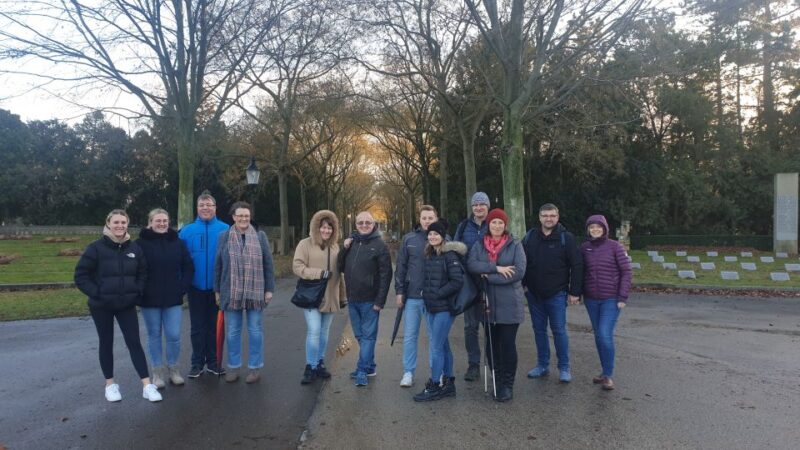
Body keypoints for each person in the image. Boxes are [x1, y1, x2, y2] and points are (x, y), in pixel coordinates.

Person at [74, 209, 162, 402]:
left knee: (134, 343)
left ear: (127, 224)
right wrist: (97, 293)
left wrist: (136, 292)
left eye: (123, 222)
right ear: (108, 224)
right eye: (116, 222)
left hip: (126, 304)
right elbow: (80, 276)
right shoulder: (95, 248)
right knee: (106, 342)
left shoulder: (134, 248)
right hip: (101, 305)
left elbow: (143, 273)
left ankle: (147, 385)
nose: (120, 226)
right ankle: (110, 385)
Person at [466, 208, 526, 402]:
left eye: (501, 222)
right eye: (494, 222)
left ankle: (507, 384)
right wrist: (496, 268)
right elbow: (472, 265)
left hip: (510, 303)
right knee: (492, 345)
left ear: (505, 225)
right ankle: (497, 379)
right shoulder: (479, 245)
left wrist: (489, 277)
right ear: (488, 224)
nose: (497, 226)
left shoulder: (515, 244)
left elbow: (518, 272)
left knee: (507, 344)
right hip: (488, 304)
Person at [214, 201, 275, 384]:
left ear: (250, 217)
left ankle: (255, 368)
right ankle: (233, 367)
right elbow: (218, 265)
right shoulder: (224, 237)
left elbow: (268, 264)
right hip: (230, 291)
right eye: (240, 215)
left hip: (256, 291)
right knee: (233, 331)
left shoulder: (260, 236)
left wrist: (269, 289)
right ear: (233, 217)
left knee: (255, 331)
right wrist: (217, 290)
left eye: (246, 216)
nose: (243, 218)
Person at [522, 203, 583, 383]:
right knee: (539, 331)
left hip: (557, 294)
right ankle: (542, 365)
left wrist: (574, 292)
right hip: (534, 295)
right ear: (539, 217)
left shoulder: (566, 238)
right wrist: (523, 285)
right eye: (545, 215)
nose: (549, 219)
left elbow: (577, 265)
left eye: (552, 215)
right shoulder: (530, 237)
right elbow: (522, 262)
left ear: (557, 217)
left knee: (559, 331)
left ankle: (564, 367)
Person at [137, 208, 194, 389]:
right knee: (154, 335)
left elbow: (188, 266)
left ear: (169, 222)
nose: (162, 224)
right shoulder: (140, 244)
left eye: (165, 221)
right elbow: (135, 269)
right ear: (150, 222)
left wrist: (182, 288)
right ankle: (157, 373)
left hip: (173, 297)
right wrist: (140, 290)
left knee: (174, 335)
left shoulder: (177, 242)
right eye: (158, 221)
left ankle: (174, 370)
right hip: (149, 298)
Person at [413, 221, 467, 402]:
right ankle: (449, 384)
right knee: (443, 345)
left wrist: (437, 293)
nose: (432, 236)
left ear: (443, 236)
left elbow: (457, 281)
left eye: (436, 234)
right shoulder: (430, 253)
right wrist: (425, 293)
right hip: (431, 307)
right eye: (430, 234)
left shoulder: (449, 255)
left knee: (435, 347)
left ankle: (435, 385)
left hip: (444, 308)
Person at [338, 211, 392, 387]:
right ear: (356, 225)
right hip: (353, 299)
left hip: (370, 300)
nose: (364, 225)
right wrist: (344, 248)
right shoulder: (352, 243)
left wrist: (380, 301)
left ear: (373, 224)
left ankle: (362, 370)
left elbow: (386, 275)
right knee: (360, 335)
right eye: (360, 222)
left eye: (367, 222)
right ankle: (370, 366)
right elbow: (339, 266)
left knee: (368, 337)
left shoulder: (380, 246)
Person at [179, 191, 229, 378]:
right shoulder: (186, 231)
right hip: (196, 287)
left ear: (215, 208)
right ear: (197, 208)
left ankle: (214, 362)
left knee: (215, 326)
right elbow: (180, 260)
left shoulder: (226, 229)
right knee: (197, 327)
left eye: (209, 205)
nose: (205, 208)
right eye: (202, 205)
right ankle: (197, 363)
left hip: (218, 288)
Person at [293, 210, 345, 385]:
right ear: (317, 227)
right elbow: (297, 266)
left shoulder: (335, 247)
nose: (326, 230)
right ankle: (310, 365)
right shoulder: (305, 244)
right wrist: (319, 273)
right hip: (312, 295)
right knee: (314, 330)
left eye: (329, 228)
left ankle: (319, 362)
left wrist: (343, 295)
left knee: (324, 331)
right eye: (323, 227)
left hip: (330, 296)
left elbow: (340, 273)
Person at [581, 214, 632, 391]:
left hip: (611, 298)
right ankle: (604, 372)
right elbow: (580, 271)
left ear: (604, 229)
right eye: (592, 227)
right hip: (591, 299)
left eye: (598, 227)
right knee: (598, 335)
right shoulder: (584, 248)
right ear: (588, 230)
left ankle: (608, 375)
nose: (595, 230)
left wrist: (623, 297)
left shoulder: (615, 247)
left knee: (604, 334)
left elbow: (626, 271)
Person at [394, 205, 438, 388]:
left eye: (430, 218)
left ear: (435, 219)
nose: (427, 221)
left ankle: (436, 373)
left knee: (435, 338)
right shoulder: (409, 239)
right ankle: (408, 372)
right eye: (424, 218)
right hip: (412, 296)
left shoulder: (442, 238)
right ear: (419, 219)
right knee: (410, 336)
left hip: (434, 297)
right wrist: (399, 291)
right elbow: (401, 267)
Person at [453, 192, 489, 382]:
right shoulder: (464, 226)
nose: (478, 208)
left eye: (482, 204)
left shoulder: (494, 224)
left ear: (487, 206)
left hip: (490, 284)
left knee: (491, 326)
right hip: (470, 285)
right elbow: (456, 250)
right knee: (470, 327)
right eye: (475, 205)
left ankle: (493, 363)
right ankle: (473, 364)